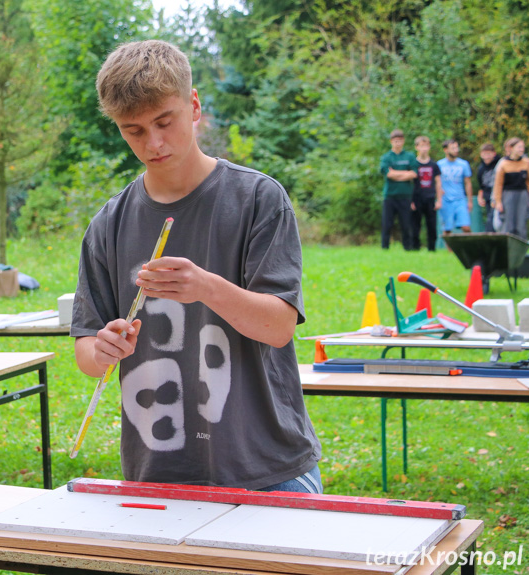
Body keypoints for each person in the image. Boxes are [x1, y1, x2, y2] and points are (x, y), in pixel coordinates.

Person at [70, 40, 322, 493]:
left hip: (266, 468)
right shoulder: (110, 223)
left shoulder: (259, 200)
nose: (154, 143)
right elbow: (87, 351)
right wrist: (102, 350)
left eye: (164, 122)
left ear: (194, 105)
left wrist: (205, 286)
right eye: (134, 131)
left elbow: (279, 326)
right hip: (158, 471)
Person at [378, 129, 417, 250]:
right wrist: (405, 173)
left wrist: (396, 173)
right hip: (390, 196)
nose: (398, 143)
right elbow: (388, 174)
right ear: (391, 142)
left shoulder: (409, 156)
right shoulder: (386, 157)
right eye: (395, 141)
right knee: (387, 224)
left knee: (406, 224)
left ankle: (408, 248)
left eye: (400, 141)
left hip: (405, 196)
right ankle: (385, 247)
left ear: (403, 141)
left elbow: (414, 174)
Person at [492, 137, 529, 239]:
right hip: (508, 195)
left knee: (521, 223)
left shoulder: (526, 163)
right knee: (508, 223)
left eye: (522, 147)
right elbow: (498, 185)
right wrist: (498, 201)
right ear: (511, 148)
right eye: (519, 147)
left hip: (522, 195)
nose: (521, 149)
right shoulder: (503, 164)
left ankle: (520, 250)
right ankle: (507, 249)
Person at [410, 135, 442, 251]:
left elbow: (438, 183)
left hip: (430, 198)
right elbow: (410, 184)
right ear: (417, 147)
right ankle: (415, 248)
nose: (424, 148)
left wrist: (439, 200)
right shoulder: (413, 164)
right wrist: (410, 200)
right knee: (415, 225)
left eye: (426, 146)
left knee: (432, 226)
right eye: (421, 146)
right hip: (417, 198)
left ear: (429, 147)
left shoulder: (434, 165)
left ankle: (432, 249)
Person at [436, 139, 473, 235]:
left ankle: (470, 249)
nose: (456, 150)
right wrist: (439, 196)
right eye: (453, 148)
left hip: (460, 200)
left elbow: (468, 183)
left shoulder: (463, 164)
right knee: (447, 229)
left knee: (466, 227)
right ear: (445, 150)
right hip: (446, 201)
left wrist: (469, 201)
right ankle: (449, 250)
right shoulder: (439, 165)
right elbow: (436, 182)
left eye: (457, 147)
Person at [476, 143, 501, 232]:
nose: (486, 156)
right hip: (487, 198)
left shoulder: (499, 164)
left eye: (489, 154)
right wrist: (480, 197)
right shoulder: (481, 168)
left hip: (498, 197)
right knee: (490, 219)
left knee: (495, 221)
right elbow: (481, 185)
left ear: (494, 154)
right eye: (484, 154)